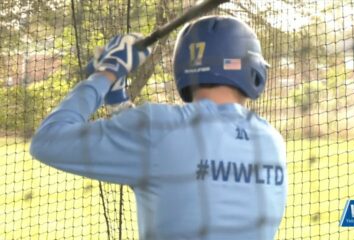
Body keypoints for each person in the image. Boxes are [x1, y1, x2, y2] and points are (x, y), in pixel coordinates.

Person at [30, 15, 287, 240]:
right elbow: (171, 160)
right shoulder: (272, 140)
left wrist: (107, 73)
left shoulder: (157, 127)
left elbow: (48, 141)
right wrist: (119, 103)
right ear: (252, 70)